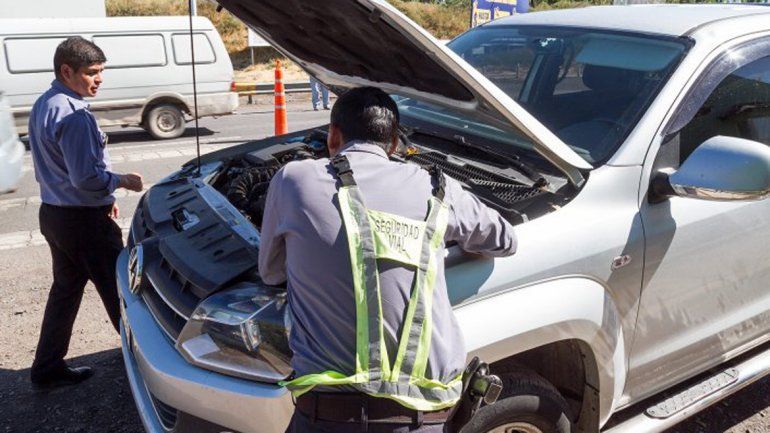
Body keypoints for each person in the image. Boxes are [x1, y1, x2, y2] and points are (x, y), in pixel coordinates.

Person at [259, 86, 517, 433]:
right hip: (423, 420)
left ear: (333, 135)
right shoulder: (438, 188)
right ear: (395, 145)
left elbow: (271, 272)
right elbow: (505, 240)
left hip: (326, 416)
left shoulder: (294, 179)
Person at [28, 36, 144, 389]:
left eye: (101, 72)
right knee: (120, 292)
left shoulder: (45, 103)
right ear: (67, 70)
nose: (99, 79)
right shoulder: (75, 116)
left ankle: (47, 368)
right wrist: (122, 181)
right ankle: (147, 371)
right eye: (92, 73)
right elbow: (86, 178)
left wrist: (103, 195)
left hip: (55, 215)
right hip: (83, 222)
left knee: (65, 290)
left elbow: (64, 170)